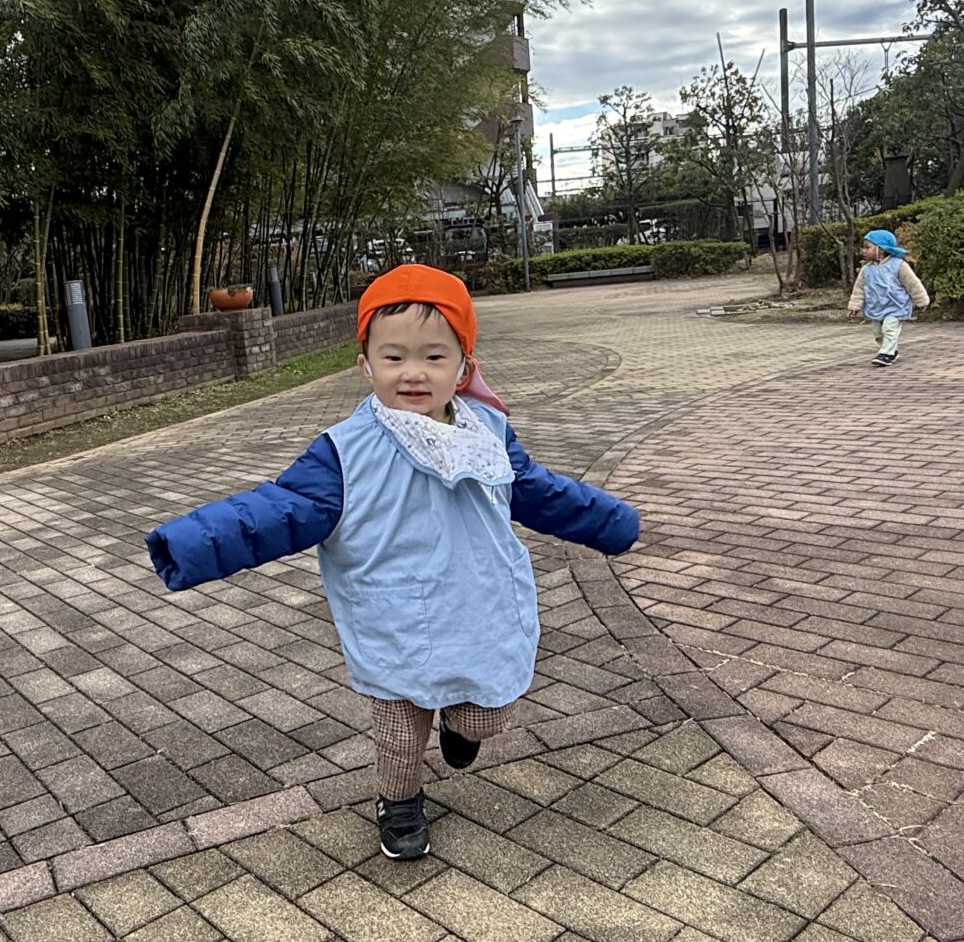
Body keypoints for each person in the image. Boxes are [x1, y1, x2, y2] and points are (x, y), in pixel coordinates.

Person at [144, 264, 640, 860]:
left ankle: (458, 726)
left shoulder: (488, 432)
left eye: (434, 357)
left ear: (464, 367)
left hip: (479, 608)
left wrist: (612, 522)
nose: (413, 372)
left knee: (484, 716)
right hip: (394, 617)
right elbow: (279, 510)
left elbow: (539, 492)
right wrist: (189, 543)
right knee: (401, 736)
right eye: (394, 357)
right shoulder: (342, 452)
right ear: (366, 366)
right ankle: (399, 802)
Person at [847, 228, 930, 367]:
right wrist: (854, 306)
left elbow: (912, 283)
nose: (863, 251)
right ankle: (891, 350)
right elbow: (859, 289)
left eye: (867, 247)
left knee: (889, 329)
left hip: (895, 306)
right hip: (875, 308)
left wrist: (921, 300)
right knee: (878, 334)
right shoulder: (866, 269)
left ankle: (886, 354)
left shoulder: (898, 265)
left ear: (881, 249)